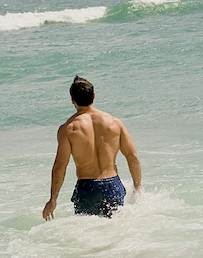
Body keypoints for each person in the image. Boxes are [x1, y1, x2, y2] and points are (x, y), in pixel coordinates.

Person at [42, 75, 142, 220]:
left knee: (87, 235)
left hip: (87, 188)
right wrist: (137, 187)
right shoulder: (115, 123)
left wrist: (53, 200)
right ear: (94, 96)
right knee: (116, 231)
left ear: (72, 101)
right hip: (112, 185)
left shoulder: (68, 129)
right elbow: (131, 156)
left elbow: (60, 167)